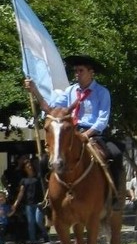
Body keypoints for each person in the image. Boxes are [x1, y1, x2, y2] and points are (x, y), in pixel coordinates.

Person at [25, 55, 125, 209]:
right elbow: (51, 109)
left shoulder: (102, 92)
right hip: (69, 133)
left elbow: (102, 120)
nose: (77, 74)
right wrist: (35, 91)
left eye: (81, 70)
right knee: (45, 161)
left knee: (115, 153)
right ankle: (46, 199)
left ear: (91, 72)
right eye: (75, 71)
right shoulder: (70, 91)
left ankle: (114, 196)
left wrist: (86, 134)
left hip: (93, 134)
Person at [10, 159, 49, 244]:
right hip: (28, 204)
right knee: (30, 222)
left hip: (39, 203)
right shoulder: (24, 180)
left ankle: (45, 235)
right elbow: (21, 193)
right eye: (27, 166)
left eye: (30, 165)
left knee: (38, 221)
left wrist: (45, 200)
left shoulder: (38, 178)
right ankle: (33, 240)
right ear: (25, 169)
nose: (29, 167)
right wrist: (15, 204)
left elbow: (45, 189)